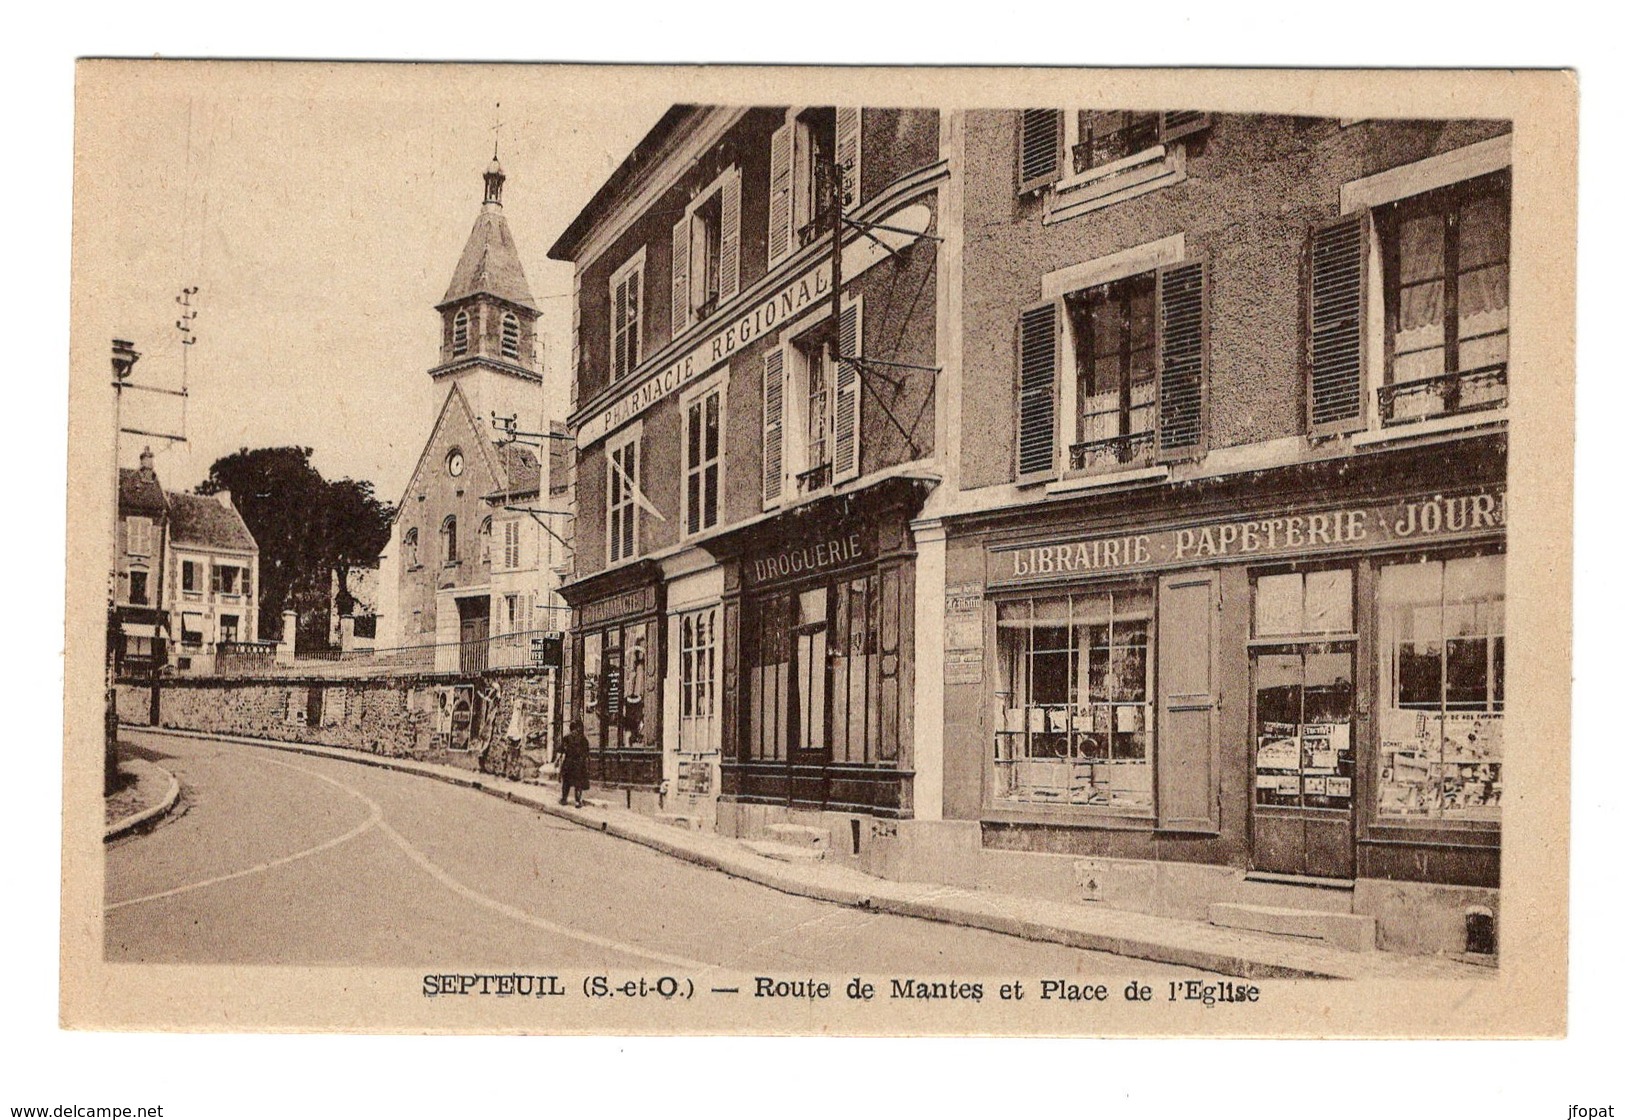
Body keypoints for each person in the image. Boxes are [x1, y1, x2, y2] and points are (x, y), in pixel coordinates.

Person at [558, 718, 591, 808]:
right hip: (579, 763)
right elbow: (587, 753)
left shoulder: (566, 738)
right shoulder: (583, 739)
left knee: (566, 782)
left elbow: (561, 750)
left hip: (568, 763)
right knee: (578, 783)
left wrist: (557, 762)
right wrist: (586, 764)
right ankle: (577, 801)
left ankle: (564, 799)